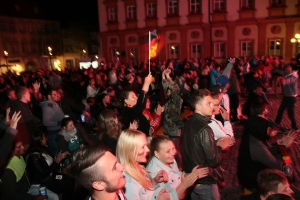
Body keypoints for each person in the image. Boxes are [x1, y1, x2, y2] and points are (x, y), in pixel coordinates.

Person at [182, 89, 235, 200]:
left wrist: (214, 143)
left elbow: (196, 146)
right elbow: (213, 160)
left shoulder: (188, 122)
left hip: (191, 176)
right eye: (208, 103)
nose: (212, 106)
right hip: (204, 179)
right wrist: (220, 146)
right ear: (198, 106)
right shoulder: (205, 128)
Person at [238, 102, 297, 192]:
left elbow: (268, 150)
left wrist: (279, 145)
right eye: (268, 129)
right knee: (287, 170)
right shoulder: (256, 146)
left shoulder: (254, 134)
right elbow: (279, 166)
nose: (270, 131)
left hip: (252, 171)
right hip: (252, 181)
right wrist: (284, 148)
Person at [116, 129, 176, 200]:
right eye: (143, 147)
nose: (148, 150)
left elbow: (144, 192)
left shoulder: (138, 167)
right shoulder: (129, 183)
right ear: (131, 151)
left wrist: (154, 181)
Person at [27, 133, 75, 200]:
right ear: (39, 140)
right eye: (44, 138)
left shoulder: (43, 149)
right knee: (68, 182)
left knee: (70, 179)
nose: (46, 139)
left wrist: (59, 157)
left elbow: (50, 162)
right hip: (44, 182)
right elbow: (43, 174)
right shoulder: (34, 157)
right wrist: (56, 163)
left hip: (51, 175)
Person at [161, 68, 184, 168]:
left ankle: (179, 167)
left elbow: (173, 87)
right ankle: (170, 167)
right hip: (167, 127)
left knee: (175, 150)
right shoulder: (168, 100)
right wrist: (163, 76)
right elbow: (165, 87)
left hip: (174, 128)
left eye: (170, 91)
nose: (168, 92)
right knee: (167, 149)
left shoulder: (177, 99)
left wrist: (168, 77)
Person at [40, 88, 65, 156]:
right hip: (54, 134)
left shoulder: (53, 104)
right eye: (55, 94)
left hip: (57, 132)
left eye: (57, 94)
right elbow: (46, 122)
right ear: (49, 96)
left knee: (59, 150)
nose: (57, 95)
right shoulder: (48, 106)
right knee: (56, 152)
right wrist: (58, 122)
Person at [275, 65, 298, 130]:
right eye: (285, 70)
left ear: (290, 70)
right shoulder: (287, 74)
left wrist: (280, 78)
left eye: (286, 70)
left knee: (291, 113)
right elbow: (282, 72)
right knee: (280, 111)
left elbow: (287, 81)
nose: (285, 71)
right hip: (286, 97)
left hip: (291, 97)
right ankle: (276, 124)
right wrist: (275, 69)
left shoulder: (293, 76)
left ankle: (295, 127)